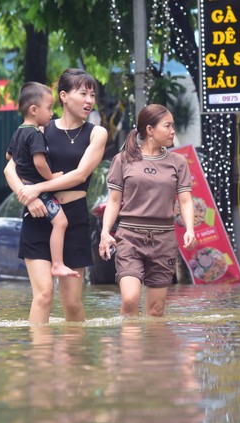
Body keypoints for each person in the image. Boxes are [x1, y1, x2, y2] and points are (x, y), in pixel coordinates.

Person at [4, 68, 108, 325]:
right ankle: (40, 361)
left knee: (71, 303)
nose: (89, 100)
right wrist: (28, 196)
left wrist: (38, 188)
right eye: (82, 93)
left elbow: (80, 174)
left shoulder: (96, 133)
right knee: (43, 295)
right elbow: (10, 168)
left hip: (73, 218)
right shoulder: (39, 129)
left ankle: (73, 361)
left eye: (92, 95)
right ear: (63, 96)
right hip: (38, 215)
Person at [98, 104, 197, 317]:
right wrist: (105, 232)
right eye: (168, 126)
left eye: (173, 126)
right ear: (150, 130)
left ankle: (154, 351)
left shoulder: (178, 162)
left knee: (156, 310)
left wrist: (190, 229)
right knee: (130, 300)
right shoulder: (123, 159)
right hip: (129, 238)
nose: (173, 131)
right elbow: (114, 201)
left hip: (164, 240)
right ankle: (130, 350)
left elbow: (186, 201)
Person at [6, 82, 78, 279]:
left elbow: (8, 157)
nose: (52, 113)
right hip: (39, 191)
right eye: (49, 108)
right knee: (61, 222)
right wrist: (51, 177)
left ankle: (56, 263)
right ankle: (57, 264)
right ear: (33, 109)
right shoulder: (36, 134)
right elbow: (39, 162)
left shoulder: (19, 132)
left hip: (26, 185)